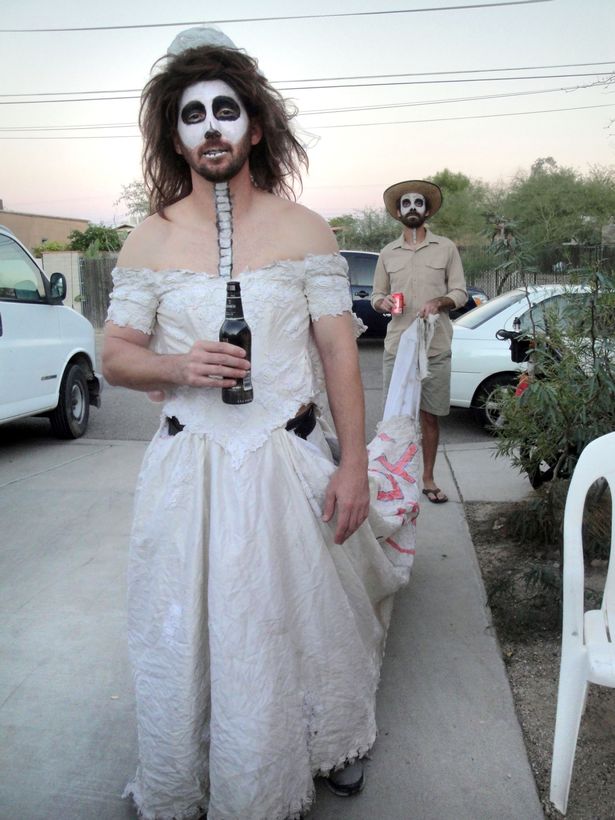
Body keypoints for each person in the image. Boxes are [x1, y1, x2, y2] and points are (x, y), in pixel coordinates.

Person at [103, 28, 416, 820]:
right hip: (190, 472)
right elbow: (114, 356)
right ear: (174, 136)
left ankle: (324, 742)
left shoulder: (305, 229)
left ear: (253, 128)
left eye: (225, 111)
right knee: (191, 632)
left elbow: (339, 354)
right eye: (192, 116)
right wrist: (176, 366)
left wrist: (352, 467)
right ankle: (203, 764)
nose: (210, 128)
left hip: (288, 461)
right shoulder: (150, 237)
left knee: (307, 620)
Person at [371, 180, 467, 505]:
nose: (412, 208)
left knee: (429, 417)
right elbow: (376, 295)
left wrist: (439, 302)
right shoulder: (387, 253)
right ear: (398, 213)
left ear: (427, 211)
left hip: (434, 348)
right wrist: (382, 302)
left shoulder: (446, 248)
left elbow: (460, 292)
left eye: (418, 203)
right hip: (398, 348)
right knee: (395, 417)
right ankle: (392, 477)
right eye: (406, 204)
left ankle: (427, 478)